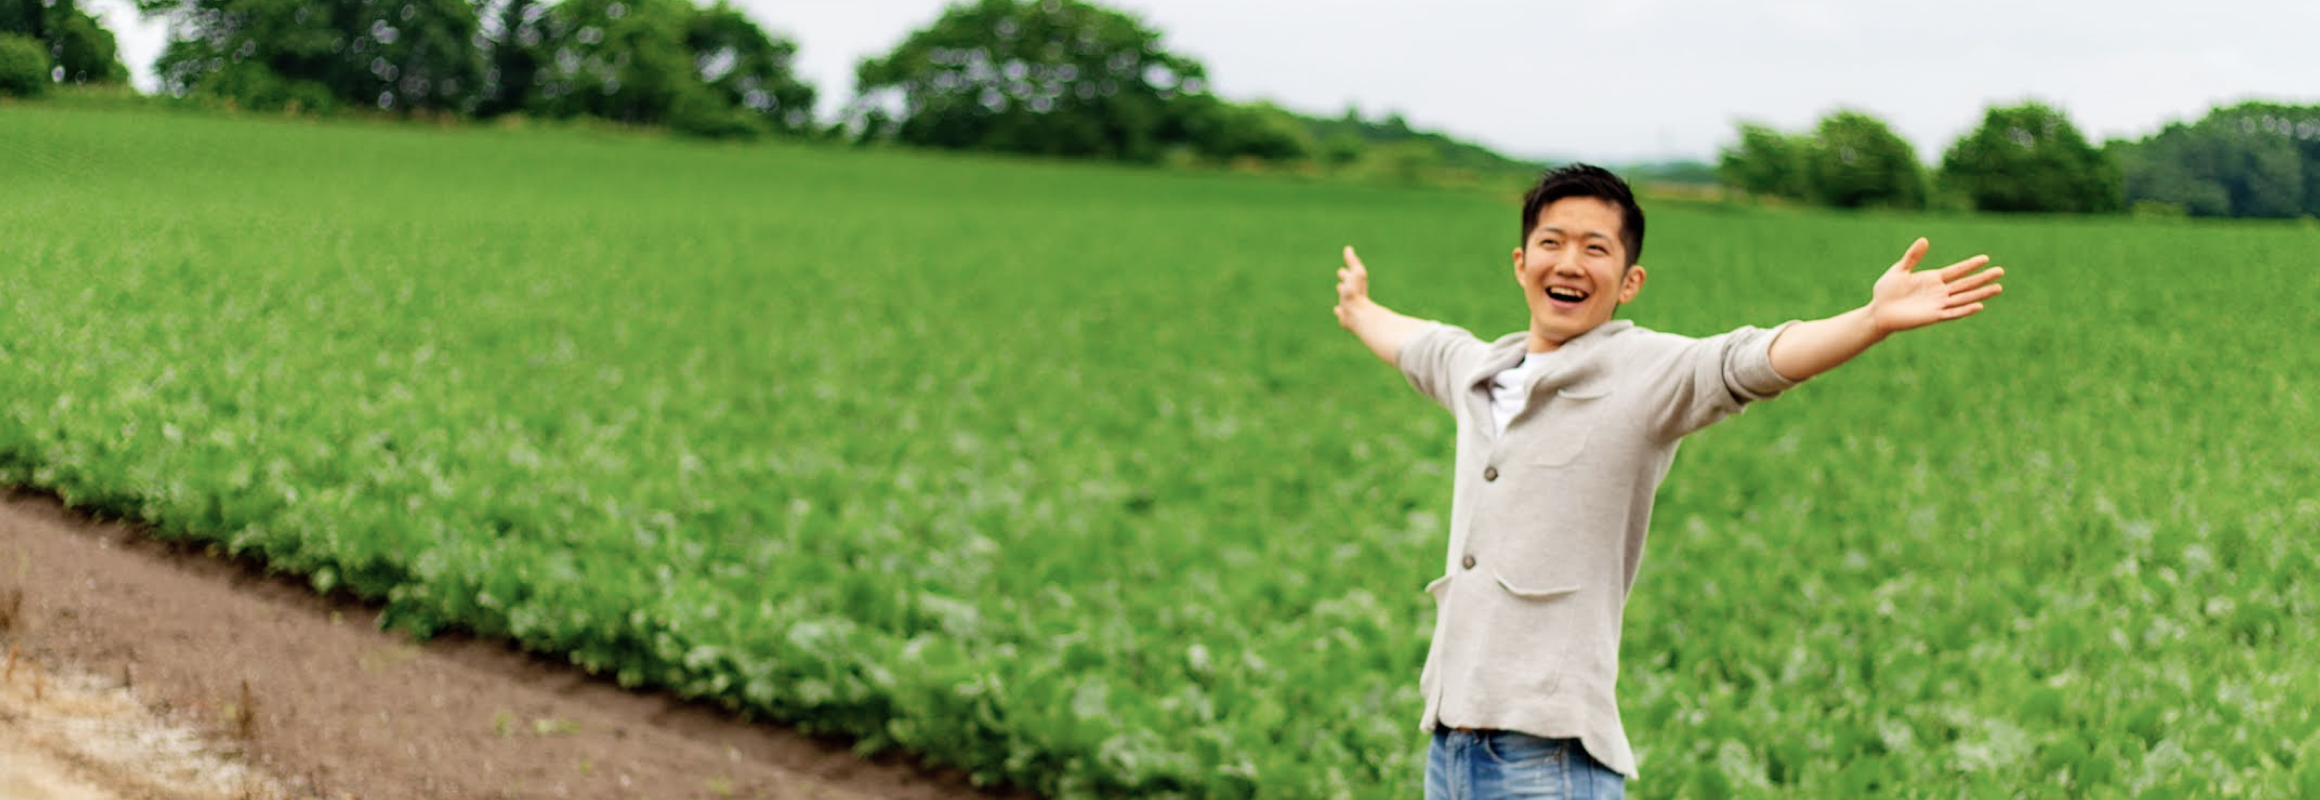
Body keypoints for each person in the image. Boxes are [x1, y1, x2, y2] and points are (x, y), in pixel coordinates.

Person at [1331, 164, 2005, 800]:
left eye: (1596, 249)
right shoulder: (1482, 372)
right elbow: (1420, 343)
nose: (1569, 263)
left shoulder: (1645, 375)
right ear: (1521, 263)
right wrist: (1359, 308)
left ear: (1629, 282)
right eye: (1551, 242)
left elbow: (1750, 361)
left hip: (1548, 759)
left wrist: (1869, 321)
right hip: (1448, 749)